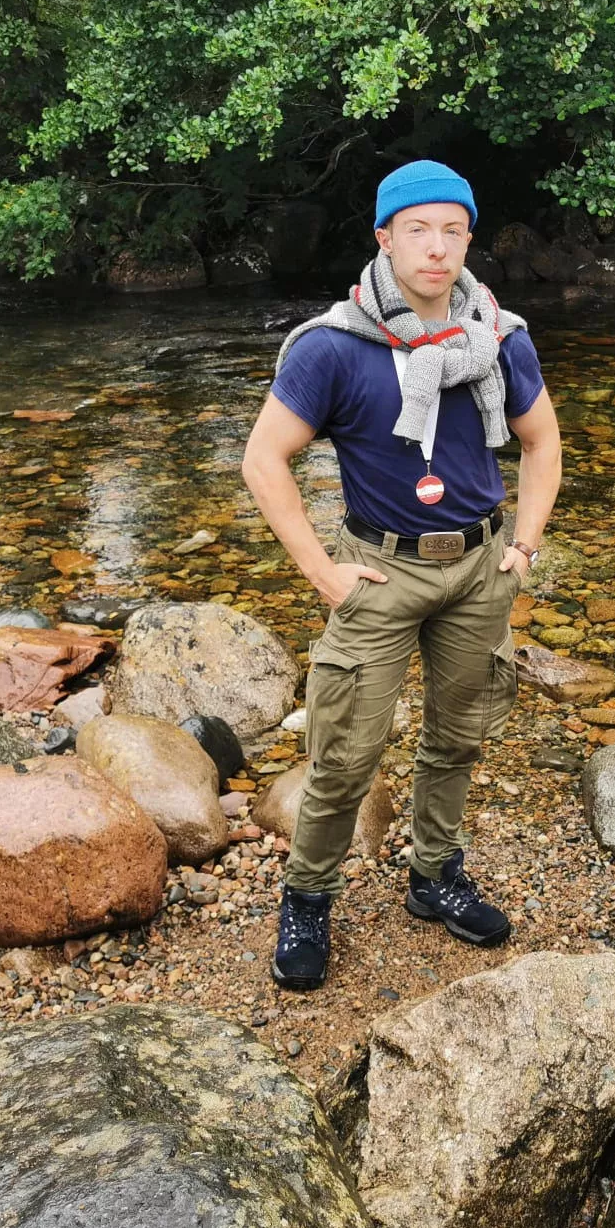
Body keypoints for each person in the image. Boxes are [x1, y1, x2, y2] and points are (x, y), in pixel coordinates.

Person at [241, 159, 562, 991]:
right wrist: (323, 573)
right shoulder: (334, 347)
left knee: (457, 738)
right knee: (345, 754)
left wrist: (521, 548)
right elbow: (264, 461)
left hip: (479, 566)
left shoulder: (499, 336)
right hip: (380, 573)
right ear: (384, 238)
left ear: (467, 240)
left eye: (453, 230)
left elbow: (540, 444)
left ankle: (434, 875)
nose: (437, 247)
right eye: (418, 228)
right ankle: (307, 898)